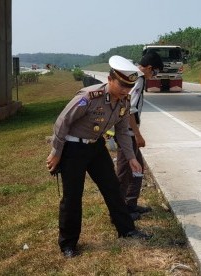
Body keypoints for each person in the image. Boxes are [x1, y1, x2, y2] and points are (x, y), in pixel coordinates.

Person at [46, 55, 151, 258]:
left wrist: (130, 157)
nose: (125, 90)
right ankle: (68, 244)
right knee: (73, 197)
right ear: (111, 79)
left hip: (96, 147)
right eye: (122, 85)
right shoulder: (89, 97)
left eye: (129, 86)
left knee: (112, 187)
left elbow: (122, 130)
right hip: (72, 148)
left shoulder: (124, 100)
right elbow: (62, 122)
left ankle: (127, 230)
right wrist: (56, 153)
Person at [116, 51, 163, 219]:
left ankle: (130, 204)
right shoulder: (138, 79)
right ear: (149, 68)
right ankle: (118, 212)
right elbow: (128, 109)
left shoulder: (134, 76)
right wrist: (137, 135)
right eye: (155, 72)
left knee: (137, 169)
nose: (155, 76)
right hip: (126, 133)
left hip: (128, 132)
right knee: (124, 172)